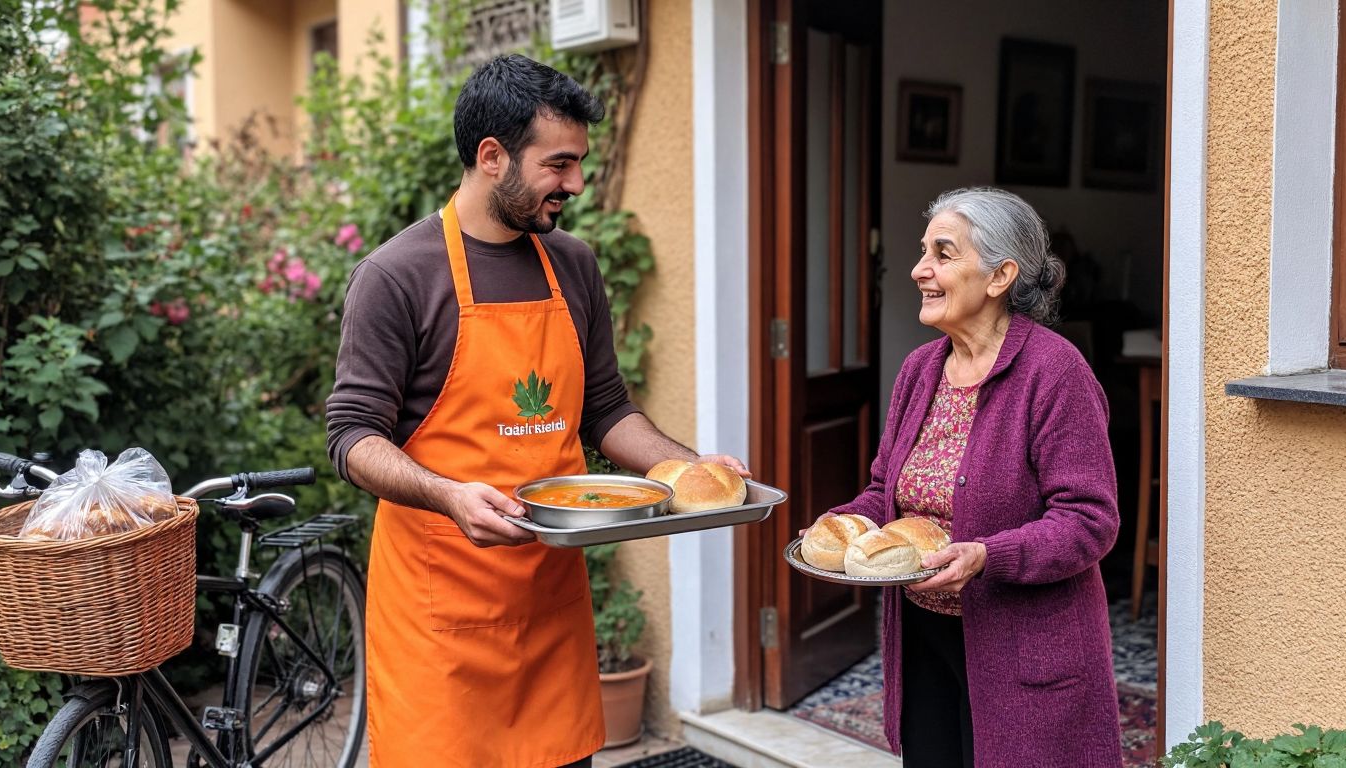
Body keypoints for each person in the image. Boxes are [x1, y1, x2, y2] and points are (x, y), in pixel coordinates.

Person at [325, 55, 747, 768]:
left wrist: (686, 467)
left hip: (549, 604)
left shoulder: (573, 264)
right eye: (558, 164)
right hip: (439, 616)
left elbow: (606, 409)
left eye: (579, 163)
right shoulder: (397, 275)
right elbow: (352, 436)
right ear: (492, 157)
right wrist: (448, 494)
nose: (576, 184)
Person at [819, 187, 1122, 767]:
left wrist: (988, 556)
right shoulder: (920, 369)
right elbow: (887, 492)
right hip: (924, 637)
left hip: (1023, 650)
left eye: (943, 253)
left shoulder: (1055, 373)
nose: (919, 269)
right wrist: (847, 523)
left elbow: (1090, 521)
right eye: (922, 251)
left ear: (1000, 275)